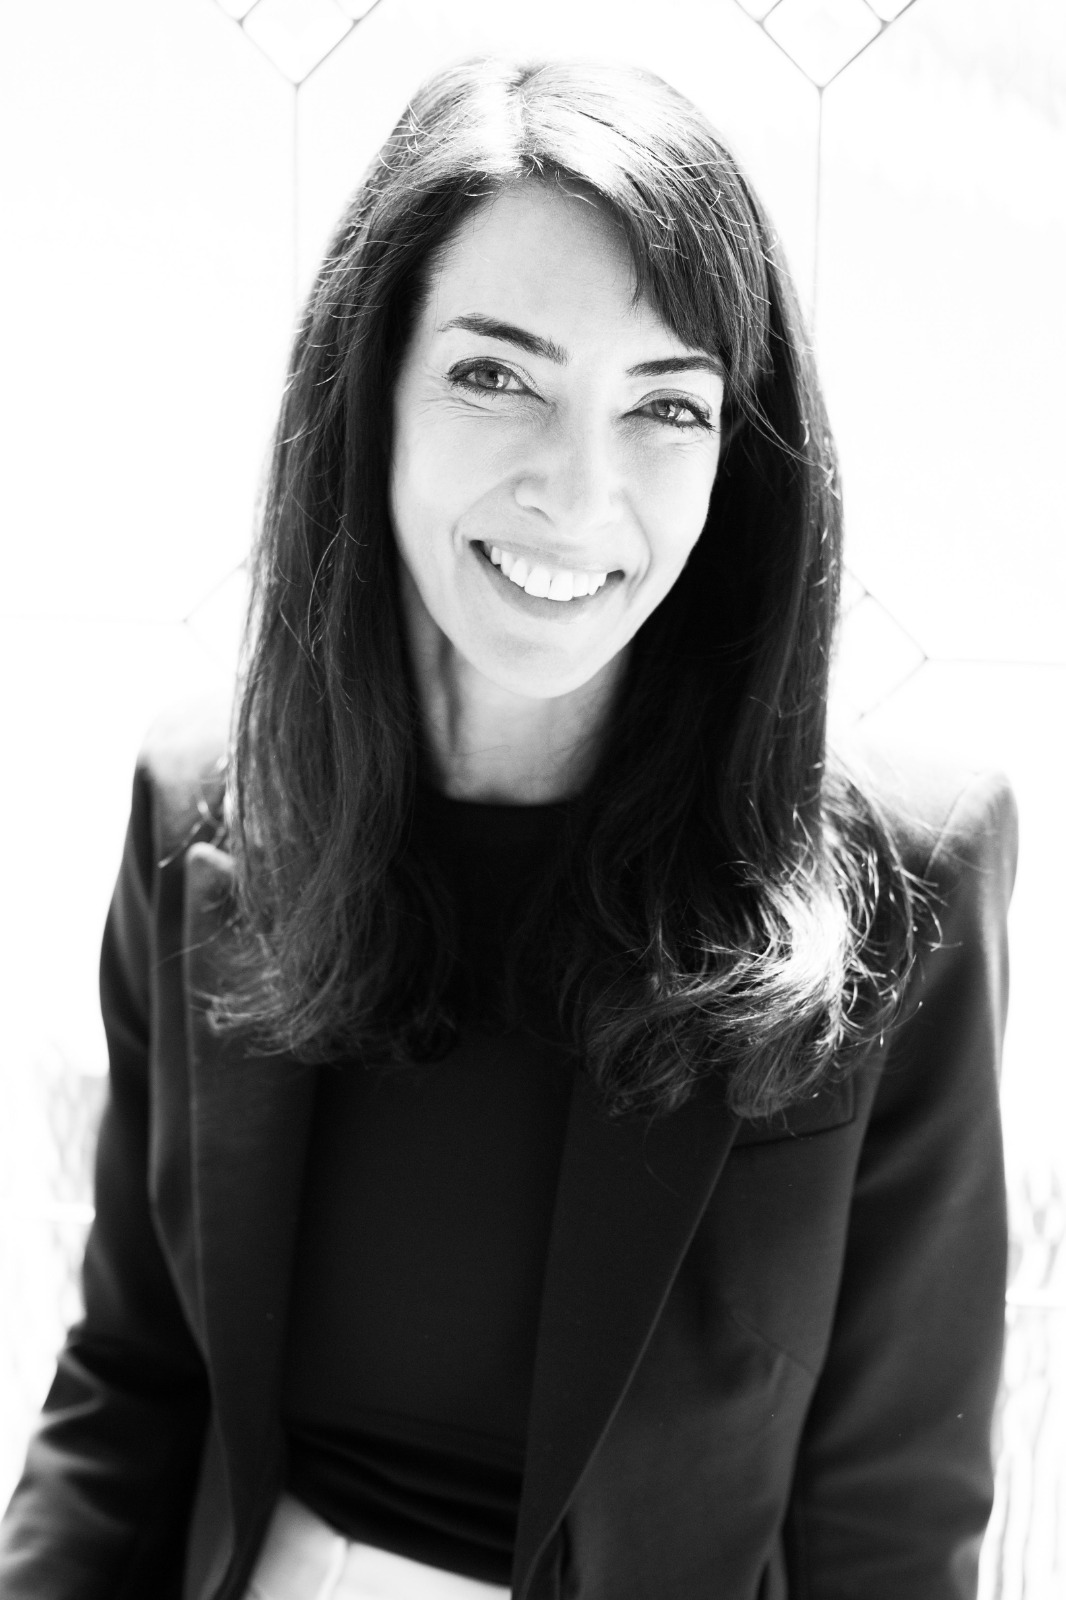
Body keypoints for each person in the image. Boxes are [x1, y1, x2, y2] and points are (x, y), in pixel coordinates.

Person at [0, 56, 1017, 1600]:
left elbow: (889, 1514)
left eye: (665, 403)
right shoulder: (203, 808)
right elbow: (132, 1378)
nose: (579, 490)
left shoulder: (898, 869)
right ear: (373, 389)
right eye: (497, 375)